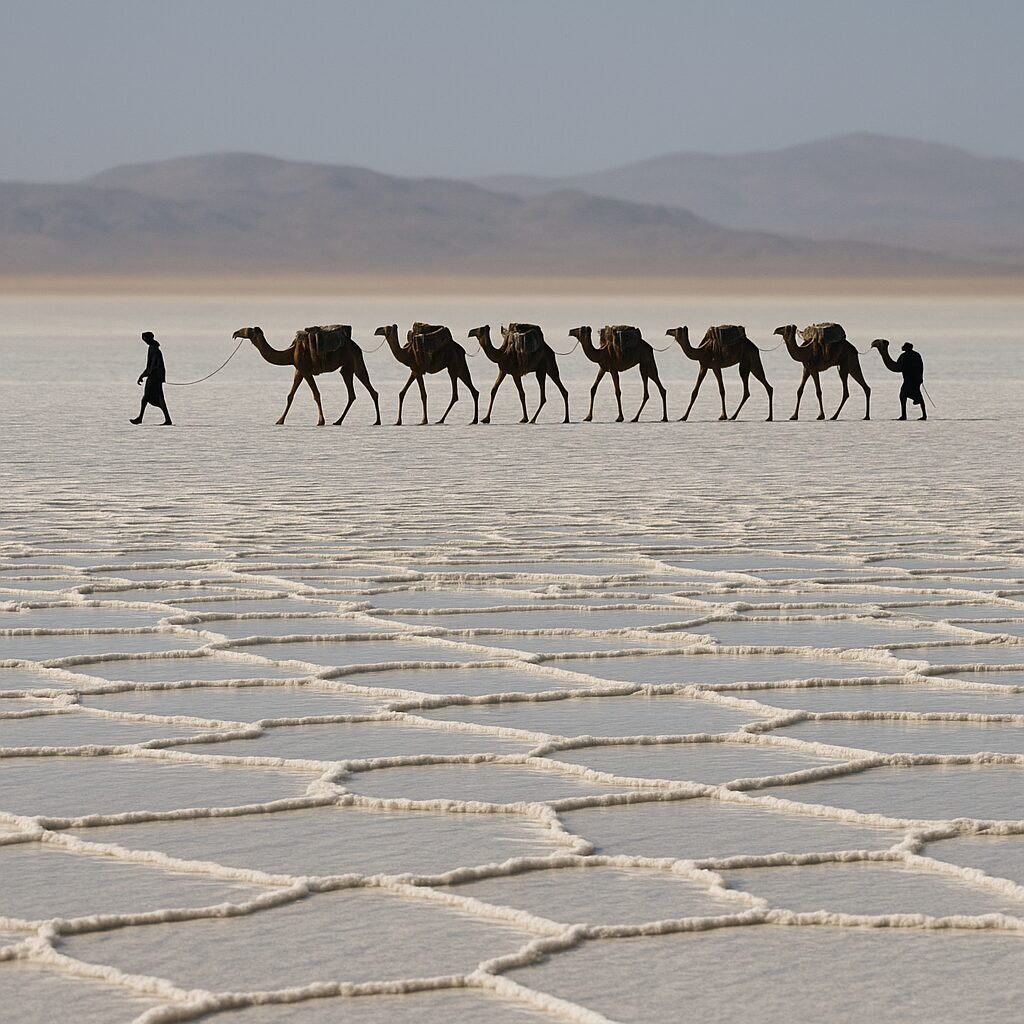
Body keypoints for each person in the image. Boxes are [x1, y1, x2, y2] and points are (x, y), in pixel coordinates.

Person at [874, 339, 926, 420]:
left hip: (911, 380)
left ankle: (905, 415)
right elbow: (921, 366)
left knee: (904, 395)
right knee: (916, 396)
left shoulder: (905, 356)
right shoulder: (915, 355)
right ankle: (922, 415)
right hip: (914, 380)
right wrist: (920, 377)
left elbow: (898, 367)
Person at [131, 331, 172, 425]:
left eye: (145, 338)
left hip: (155, 378)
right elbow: (150, 366)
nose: (144, 340)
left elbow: (153, 366)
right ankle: (166, 419)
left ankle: (140, 418)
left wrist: (144, 375)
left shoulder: (154, 350)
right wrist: (143, 375)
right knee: (154, 399)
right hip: (154, 377)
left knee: (148, 398)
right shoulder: (152, 348)